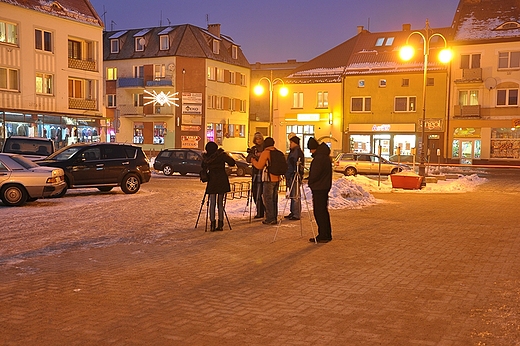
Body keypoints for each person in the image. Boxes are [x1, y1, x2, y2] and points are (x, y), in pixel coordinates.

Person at [201, 142, 236, 231]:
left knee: (212, 203)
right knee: (220, 203)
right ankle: (220, 224)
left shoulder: (206, 158)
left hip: (212, 181)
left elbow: (203, 168)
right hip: (222, 180)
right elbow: (232, 162)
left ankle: (212, 224)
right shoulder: (221, 155)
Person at [307, 137, 333, 243]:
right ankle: (326, 234)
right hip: (324, 186)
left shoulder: (319, 158)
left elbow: (315, 174)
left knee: (319, 211)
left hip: (319, 188)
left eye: (310, 149)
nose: (310, 152)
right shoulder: (325, 157)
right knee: (323, 211)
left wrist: (310, 181)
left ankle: (323, 235)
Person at [251, 137, 281, 225]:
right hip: (277, 178)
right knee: (274, 199)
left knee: (268, 199)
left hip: (268, 179)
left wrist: (253, 161)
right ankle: (274, 217)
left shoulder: (266, 152)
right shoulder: (277, 152)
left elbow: (259, 166)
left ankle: (270, 218)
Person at [285, 135, 304, 221]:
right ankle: (293, 212)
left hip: (295, 176)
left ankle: (296, 213)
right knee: (293, 195)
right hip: (291, 175)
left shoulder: (297, 152)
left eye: (291, 142)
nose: (290, 144)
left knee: (295, 195)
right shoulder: (293, 151)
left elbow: (297, 164)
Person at [246, 132, 265, 219]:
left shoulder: (265, 148)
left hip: (263, 172)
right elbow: (248, 159)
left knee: (262, 193)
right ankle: (259, 210)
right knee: (255, 192)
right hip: (255, 173)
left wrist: (261, 156)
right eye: (257, 139)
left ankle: (263, 211)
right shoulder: (254, 149)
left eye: (260, 138)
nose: (258, 140)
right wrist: (253, 156)